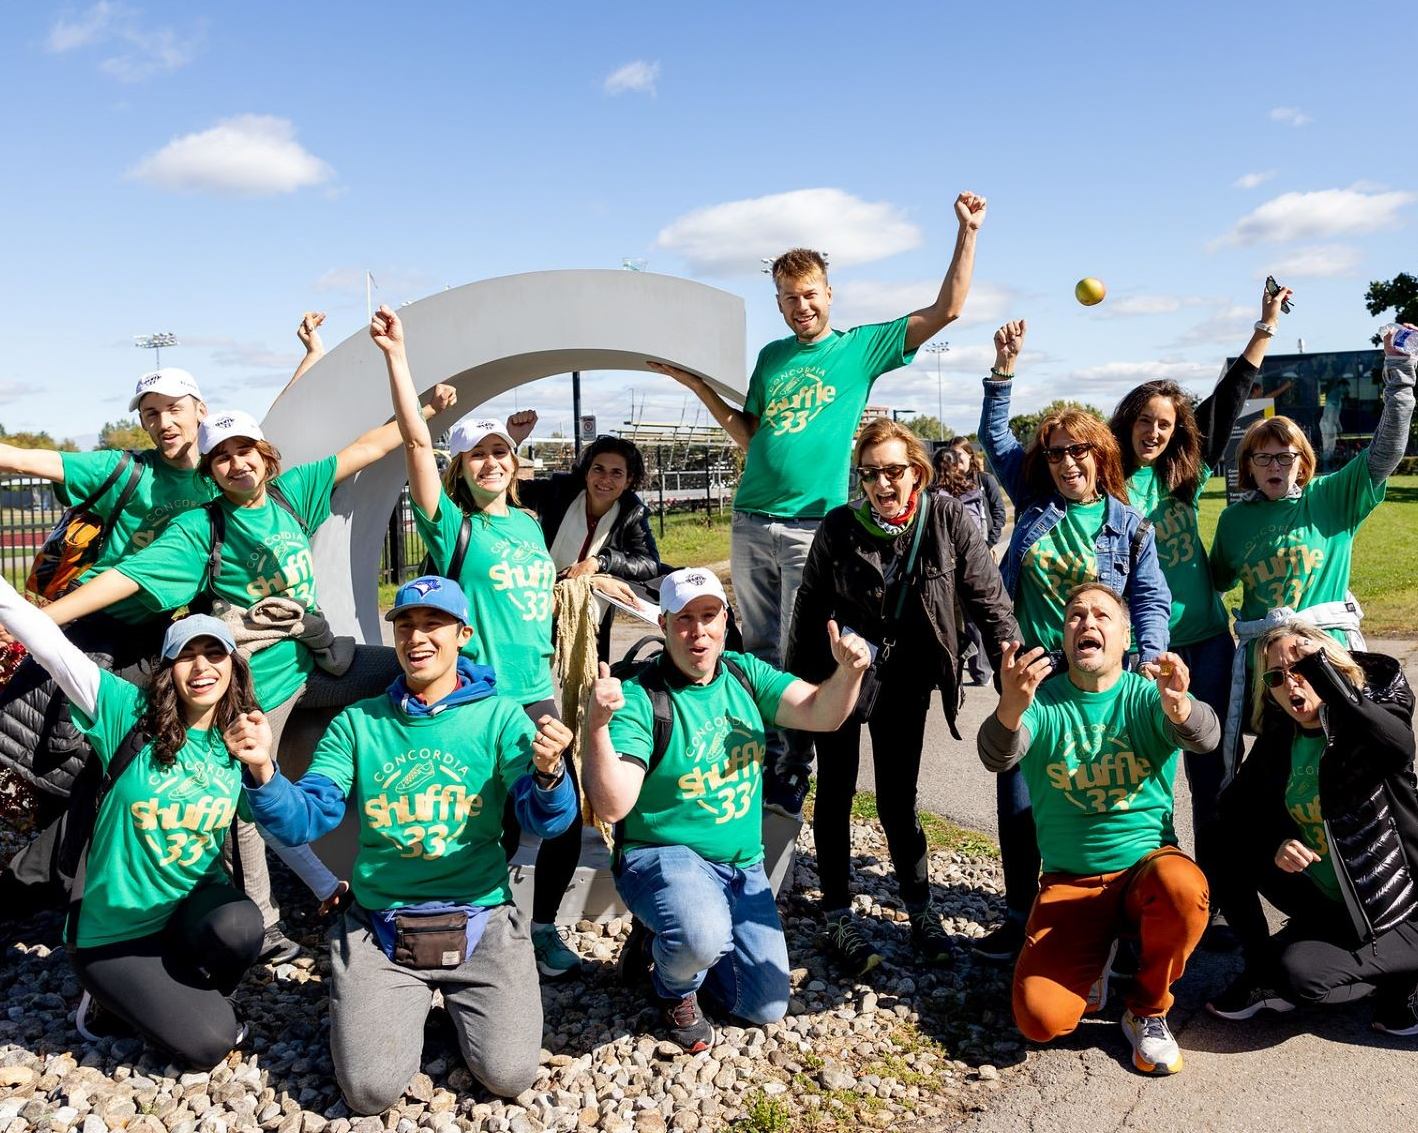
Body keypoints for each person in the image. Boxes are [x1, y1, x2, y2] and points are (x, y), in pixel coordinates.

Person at [36, 390, 456, 959]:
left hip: (319, 663)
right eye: (222, 456)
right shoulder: (200, 530)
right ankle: (266, 924)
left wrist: (426, 408)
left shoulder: (292, 495)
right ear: (210, 470)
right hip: (262, 686)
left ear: (266, 454)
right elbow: (127, 579)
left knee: (420, 673)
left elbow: (368, 447)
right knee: (250, 797)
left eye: (246, 450)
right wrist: (39, 622)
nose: (238, 463)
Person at [648, 192, 988, 817]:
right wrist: (693, 385)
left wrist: (966, 232)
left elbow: (948, 309)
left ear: (828, 295)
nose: (800, 307)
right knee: (748, 650)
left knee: (794, 650)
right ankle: (750, 761)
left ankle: (792, 764)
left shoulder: (859, 349)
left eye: (810, 294)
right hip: (753, 518)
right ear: (777, 303)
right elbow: (751, 434)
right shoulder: (772, 358)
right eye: (788, 298)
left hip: (814, 526)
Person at [232, 576, 577, 1112]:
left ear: (463, 634)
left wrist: (551, 774)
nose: (417, 637)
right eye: (406, 625)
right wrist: (263, 771)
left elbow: (545, 821)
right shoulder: (358, 722)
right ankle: (393, 990)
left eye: (433, 624)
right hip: (382, 922)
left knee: (509, 1075)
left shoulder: (500, 716)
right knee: (370, 1091)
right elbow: (304, 819)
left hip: (481, 919)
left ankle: (453, 999)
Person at [0, 577, 341, 1068]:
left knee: (241, 926)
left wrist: (325, 881)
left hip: (186, 915)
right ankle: (108, 996)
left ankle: (165, 991)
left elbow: (276, 826)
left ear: (232, 666)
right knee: (210, 1045)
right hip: (111, 932)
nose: (202, 666)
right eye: (187, 655)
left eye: (215, 654)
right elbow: (48, 644)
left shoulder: (237, 743)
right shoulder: (124, 711)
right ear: (169, 669)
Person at [370, 306, 590, 982]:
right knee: (492, 821)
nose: (491, 462)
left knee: (564, 816)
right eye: (478, 455)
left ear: (513, 461)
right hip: (484, 697)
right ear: (461, 467)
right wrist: (399, 360)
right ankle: (481, 931)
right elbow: (413, 443)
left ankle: (545, 924)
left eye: (501, 452)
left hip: (540, 693)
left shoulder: (527, 524)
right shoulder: (452, 526)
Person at [582, 568, 871, 1052]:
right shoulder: (641, 697)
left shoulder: (743, 673)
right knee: (701, 933)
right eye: (684, 620)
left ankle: (665, 941)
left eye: (709, 616)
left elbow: (822, 711)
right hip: (663, 854)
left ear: (725, 619)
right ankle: (674, 987)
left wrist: (849, 672)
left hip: (741, 866)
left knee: (764, 1006)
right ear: (664, 624)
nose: (699, 632)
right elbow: (613, 805)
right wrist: (596, 728)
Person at [787, 418, 1017, 975]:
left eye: (893, 471)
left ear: (917, 470)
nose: (882, 485)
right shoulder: (839, 526)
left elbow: (988, 597)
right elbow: (809, 606)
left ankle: (920, 909)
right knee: (836, 793)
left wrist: (1009, 655)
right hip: (840, 673)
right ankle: (838, 916)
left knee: (897, 799)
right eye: (871, 474)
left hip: (906, 676)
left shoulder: (947, 519)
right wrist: (799, 693)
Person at [976, 319, 1172, 962]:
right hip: (1037, 671)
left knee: (1112, 789)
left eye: (1078, 451)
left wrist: (1145, 659)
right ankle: (1020, 913)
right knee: (1021, 796)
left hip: (1104, 674)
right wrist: (1003, 370)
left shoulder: (1127, 523)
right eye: (1056, 453)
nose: (1067, 462)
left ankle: (1129, 910)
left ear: (1100, 455)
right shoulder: (1034, 504)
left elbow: (1151, 599)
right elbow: (995, 438)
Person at [977, 583, 1219, 1076]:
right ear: (1063, 638)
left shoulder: (1146, 695)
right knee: (1040, 1022)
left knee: (1184, 889)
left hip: (1144, 869)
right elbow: (996, 754)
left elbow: (1206, 737)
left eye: (1102, 615)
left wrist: (1182, 707)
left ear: (1126, 636)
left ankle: (1147, 1009)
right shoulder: (1041, 703)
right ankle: (1097, 959)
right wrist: (1009, 707)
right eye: (1075, 616)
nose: (1087, 622)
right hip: (1070, 881)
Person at [1107, 283, 1290, 933]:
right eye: (1146, 420)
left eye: (1165, 422)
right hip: (1141, 656)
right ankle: (1148, 897)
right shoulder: (1108, 483)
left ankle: (1210, 901)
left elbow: (1232, 394)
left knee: (1212, 780)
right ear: (1128, 421)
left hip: (1208, 644)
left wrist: (1265, 326)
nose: (1155, 431)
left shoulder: (1184, 471)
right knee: (1141, 782)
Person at [1210, 323, 1416, 769]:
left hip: (1329, 656)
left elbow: (1385, 452)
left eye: (1286, 455)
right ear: (1247, 465)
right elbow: (1217, 581)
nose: (1274, 465)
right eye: (1262, 456)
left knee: (1345, 757)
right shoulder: (1233, 520)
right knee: (1280, 766)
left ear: (1303, 462)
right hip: (1272, 670)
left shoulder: (1329, 499)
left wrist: (1400, 371)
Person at [1205, 622, 1418, 1034]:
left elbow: (1398, 747)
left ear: (1328, 668)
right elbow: (1232, 808)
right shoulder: (1283, 737)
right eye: (1276, 677)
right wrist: (1275, 843)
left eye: (1300, 669)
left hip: (1399, 907)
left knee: (1308, 980)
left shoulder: (1364, 727)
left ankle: (1402, 977)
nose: (1290, 684)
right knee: (1224, 845)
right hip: (1334, 908)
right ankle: (1262, 969)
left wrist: (1324, 671)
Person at [518, 432, 663, 661]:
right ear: (586, 472)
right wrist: (512, 442)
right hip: (541, 598)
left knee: (591, 680)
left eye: (617, 473)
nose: (605, 479)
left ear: (628, 481)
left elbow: (649, 563)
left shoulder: (631, 511)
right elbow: (506, 490)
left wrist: (600, 561)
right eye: (598, 469)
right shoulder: (559, 491)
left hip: (591, 609)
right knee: (528, 667)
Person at [933, 437, 1007, 685]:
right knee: (968, 616)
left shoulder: (979, 484)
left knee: (961, 616)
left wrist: (987, 544)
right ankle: (974, 669)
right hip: (965, 560)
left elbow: (996, 514)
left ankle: (971, 668)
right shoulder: (966, 491)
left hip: (959, 561)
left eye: (961, 456)